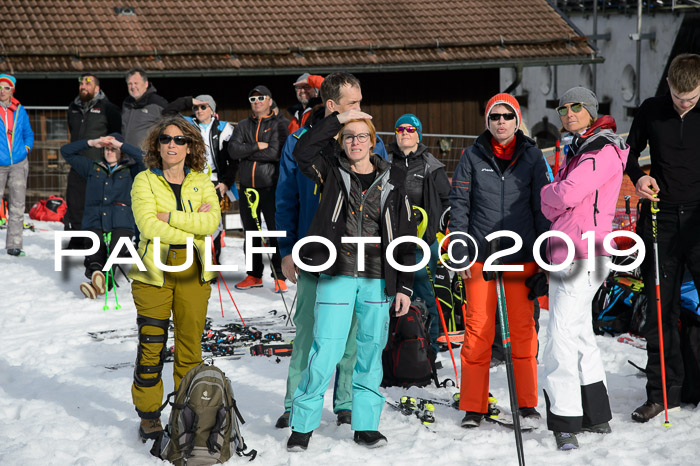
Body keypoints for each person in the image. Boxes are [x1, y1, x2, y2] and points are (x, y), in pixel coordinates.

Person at [286, 114, 414, 451]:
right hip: (336, 274)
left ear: (373, 141)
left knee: (370, 352)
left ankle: (366, 425)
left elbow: (404, 234)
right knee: (325, 349)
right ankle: (302, 426)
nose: (355, 142)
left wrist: (404, 286)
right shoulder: (330, 171)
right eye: (348, 137)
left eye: (361, 136)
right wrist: (338, 119)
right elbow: (302, 150)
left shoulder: (394, 177)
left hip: (376, 278)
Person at [274, 72, 388, 429]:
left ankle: (346, 402)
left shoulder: (370, 141)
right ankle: (295, 403)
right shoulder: (299, 143)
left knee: (352, 336)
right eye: (353, 104)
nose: (360, 110)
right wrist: (288, 249)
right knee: (308, 333)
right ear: (332, 107)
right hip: (313, 253)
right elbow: (285, 200)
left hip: (359, 257)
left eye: (360, 101)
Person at [449, 93, 550, 428]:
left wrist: (545, 257)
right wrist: (459, 247)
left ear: (517, 119)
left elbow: (543, 210)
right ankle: (474, 406)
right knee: (478, 332)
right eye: (495, 117)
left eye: (508, 116)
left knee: (524, 333)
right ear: (487, 122)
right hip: (481, 256)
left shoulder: (534, 157)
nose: (501, 122)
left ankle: (526, 404)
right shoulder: (471, 155)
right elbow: (459, 205)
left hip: (522, 257)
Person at [540, 87, 629, 450]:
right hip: (571, 249)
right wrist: (557, 195)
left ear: (592, 111)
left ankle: (565, 420)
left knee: (560, 333)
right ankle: (596, 414)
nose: (569, 113)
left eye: (577, 107)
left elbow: (565, 195)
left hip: (582, 252)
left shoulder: (601, 149)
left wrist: (548, 192)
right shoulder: (581, 147)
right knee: (578, 333)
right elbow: (567, 196)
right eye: (563, 108)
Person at [127, 116, 220, 443]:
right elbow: (148, 226)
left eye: (180, 140)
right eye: (166, 139)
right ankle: (149, 414)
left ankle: (187, 414)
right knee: (152, 344)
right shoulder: (144, 181)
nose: (172, 144)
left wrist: (174, 218)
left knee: (189, 347)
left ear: (190, 145)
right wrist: (191, 222)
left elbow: (211, 223)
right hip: (153, 269)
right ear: (157, 144)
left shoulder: (201, 179)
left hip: (193, 269)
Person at [625, 53, 700, 422]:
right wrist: (639, 177)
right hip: (661, 218)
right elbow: (629, 154)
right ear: (668, 84)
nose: (684, 104)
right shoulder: (651, 110)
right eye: (678, 97)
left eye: (691, 99)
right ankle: (661, 393)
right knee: (660, 310)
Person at [388, 113, 451, 357]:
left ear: (418, 135)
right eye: (400, 129)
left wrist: (441, 227)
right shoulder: (384, 161)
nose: (405, 132)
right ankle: (394, 351)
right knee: (392, 295)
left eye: (410, 129)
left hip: (424, 242)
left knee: (426, 296)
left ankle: (429, 350)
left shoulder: (430, 165)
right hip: (393, 243)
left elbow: (447, 200)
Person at [60, 133, 144, 298]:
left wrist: (121, 145)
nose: (109, 152)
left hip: (121, 221)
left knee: (116, 249)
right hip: (94, 220)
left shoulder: (131, 171)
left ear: (120, 151)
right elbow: (66, 152)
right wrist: (92, 142)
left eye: (113, 149)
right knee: (95, 252)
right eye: (107, 148)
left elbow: (144, 159)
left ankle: (98, 282)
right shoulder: (92, 168)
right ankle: (100, 278)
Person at [164, 94, 236, 264]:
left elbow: (233, 160)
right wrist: (189, 101)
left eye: (203, 106)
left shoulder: (225, 128)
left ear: (212, 109)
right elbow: (167, 112)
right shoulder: (187, 124)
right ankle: (193, 261)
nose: (199, 110)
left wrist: (226, 182)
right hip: (191, 180)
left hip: (215, 181)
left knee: (212, 223)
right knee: (191, 221)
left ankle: (212, 262)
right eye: (196, 107)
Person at [228, 85, 288, 292]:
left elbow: (274, 153)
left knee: (275, 231)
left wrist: (246, 151)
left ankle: (279, 275)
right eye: (253, 99)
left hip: (270, 186)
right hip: (247, 187)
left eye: (261, 98)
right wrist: (256, 146)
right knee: (251, 232)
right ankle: (254, 275)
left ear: (270, 101)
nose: (257, 102)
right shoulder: (243, 125)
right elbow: (233, 150)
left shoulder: (280, 124)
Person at [65, 73, 121, 246]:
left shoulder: (108, 108)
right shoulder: (73, 108)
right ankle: (77, 241)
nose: (83, 86)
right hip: (76, 165)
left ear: (97, 88)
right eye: (81, 83)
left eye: (88, 83)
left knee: (96, 207)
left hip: (97, 165)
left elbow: (116, 133)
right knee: (75, 205)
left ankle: (95, 244)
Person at [0, 73, 33, 257]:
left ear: (12, 90)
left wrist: (26, 148)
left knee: (17, 205)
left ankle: (14, 245)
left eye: (6, 88)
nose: (2, 91)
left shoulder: (20, 110)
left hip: (19, 163)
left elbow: (28, 133)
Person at [121, 68, 168, 147]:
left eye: (136, 83)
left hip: (146, 156)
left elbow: (172, 124)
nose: (133, 87)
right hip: (127, 155)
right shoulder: (126, 104)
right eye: (130, 84)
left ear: (146, 84)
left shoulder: (157, 103)